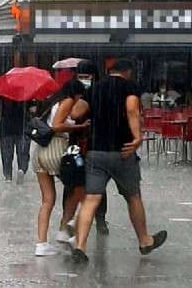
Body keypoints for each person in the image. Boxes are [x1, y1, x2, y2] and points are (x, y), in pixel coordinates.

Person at [70, 58, 167, 263]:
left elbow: (75, 111)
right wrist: (137, 137)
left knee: (92, 198)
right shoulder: (129, 87)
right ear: (128, 72)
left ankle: (80, 247)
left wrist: (90, 119)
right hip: (122, 151)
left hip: (96, 151)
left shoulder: (96, 88)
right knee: (133, 196)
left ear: (110, 71)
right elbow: (132, 109)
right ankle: (145, 241)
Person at [31, 79, 89, 256]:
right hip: (55, 148)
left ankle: (41, 244)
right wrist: (79, 126)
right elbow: (57, 125)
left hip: (40, 152)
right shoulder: (68, 101)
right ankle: (70, 228)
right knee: (82, 188)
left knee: (48, 200)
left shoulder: (53, 101)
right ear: (76, 93)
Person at [63, 60, 110, 236]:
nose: (84, 80)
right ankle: (68, 219)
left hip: (94, 144)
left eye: (87, 77)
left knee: (97, 184)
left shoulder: (99, 93)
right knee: (73, 180)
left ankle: (100, 218)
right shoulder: (73, 92)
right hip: (75, 145)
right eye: (81, 77)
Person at [0, 96, 33, 184]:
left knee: (6, 153)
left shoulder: (3, 97)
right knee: (23, 151)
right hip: (23, 128)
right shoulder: (26, 95)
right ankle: (22, 170)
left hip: (6, 128)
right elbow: (33, 110)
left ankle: (8, 176)